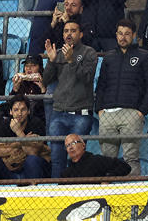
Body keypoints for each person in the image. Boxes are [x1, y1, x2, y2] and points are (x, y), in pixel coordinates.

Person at [95, 18, 148, 176]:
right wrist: (100, 110)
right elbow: (101, 85)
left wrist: (141, 111)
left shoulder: (144, 56)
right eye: (120, 33)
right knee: (106, 160)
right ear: (116, 35)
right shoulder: (109, 57)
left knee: (131, 158)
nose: (123, 37)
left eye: (127, 34)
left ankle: (133, 189)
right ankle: (108, 189)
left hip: (131, 113)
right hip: (107, 114)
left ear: (134, 35)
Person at [43, 20, 98, 179]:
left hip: (80, 114)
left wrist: (72, 61)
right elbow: (46, 80)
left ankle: (78, 189)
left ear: (81, 34)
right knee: (56, 158)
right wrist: (51, 61)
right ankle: (57, 189)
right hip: (59, 113)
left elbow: (87, 78)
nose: (69, 34)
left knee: (78, 157)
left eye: (73, 31)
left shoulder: (89, 52)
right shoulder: (59, 53)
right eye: (66, 31)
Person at [0, 95, 50, 180]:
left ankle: (33, 188)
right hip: (9, 168)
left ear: (29, 111)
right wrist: (23, 141)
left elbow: (32, 152)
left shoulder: (36, 123)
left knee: (32, 160)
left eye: (23, 110)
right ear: (11, 112)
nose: (19, 113)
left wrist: (19, 132)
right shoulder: (4, 124)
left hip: (31, 169)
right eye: (16, 110)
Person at [60, 134, 131, 179]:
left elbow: (125, 167)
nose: (70, 147)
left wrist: (108, 178)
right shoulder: (66, 173)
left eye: (73, 143)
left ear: (83, 145)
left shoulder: (97, 160)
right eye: (67, 145)